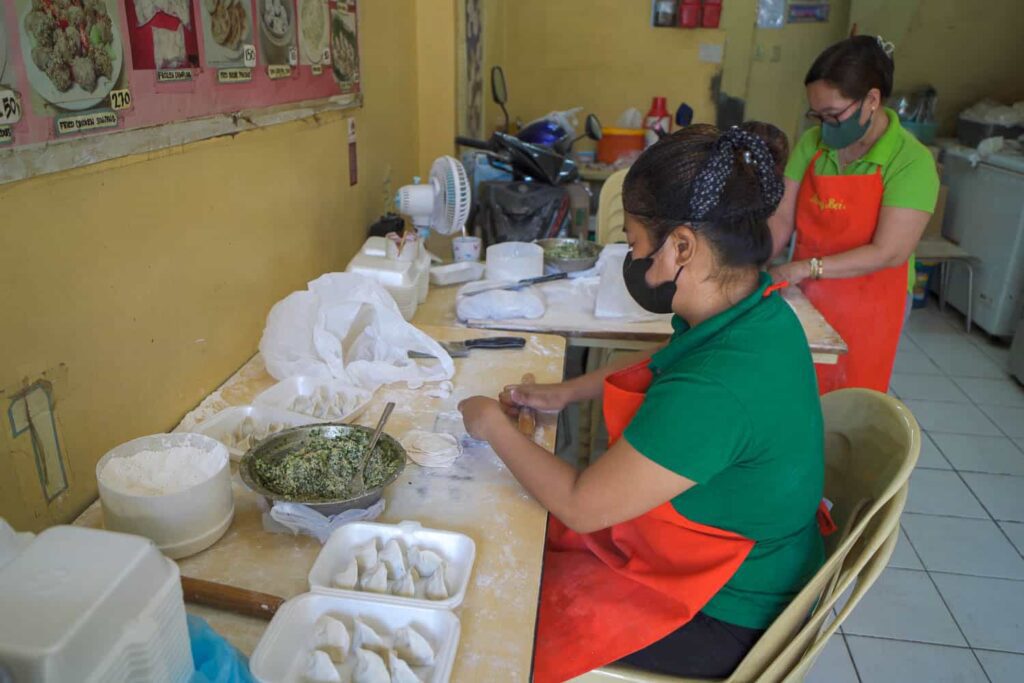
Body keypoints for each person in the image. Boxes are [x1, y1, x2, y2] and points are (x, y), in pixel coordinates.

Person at [459, 124, 828, 682]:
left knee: (497, 620)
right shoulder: (758, 309)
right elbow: (662, 363)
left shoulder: (718, 389)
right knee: (527, 545)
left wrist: (492, 426)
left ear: (682, 246)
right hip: (753, 560)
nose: (635, 263)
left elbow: (583, 504)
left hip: (728, 612)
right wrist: (565, 392)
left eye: (634, 246)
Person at [768, 35, 939, 393]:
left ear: (872, 100)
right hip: (806, 290)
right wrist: (748, 261)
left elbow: (889, 251)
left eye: (834, 114)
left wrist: (805, 268)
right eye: (816, 114)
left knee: (850, 396)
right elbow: (781, 218)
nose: (824, 125)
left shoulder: (910, 160)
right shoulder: (813, 145)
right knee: (796, 386)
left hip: (872, 300)